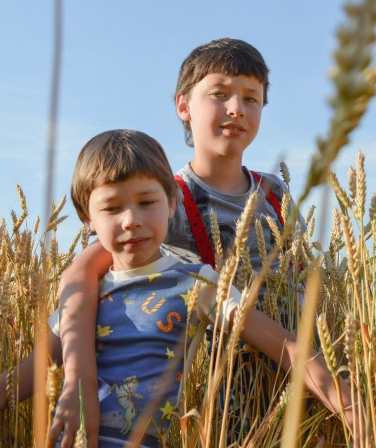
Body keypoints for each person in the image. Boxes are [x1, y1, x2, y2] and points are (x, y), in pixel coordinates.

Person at [0, 129, 364, 448]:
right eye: (111, 208)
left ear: (171, 203)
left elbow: (283, 346)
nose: (132, 220)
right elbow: (28, 371)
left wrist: (352, 410)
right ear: (88, 220)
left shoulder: (197, 281)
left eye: (147, 202)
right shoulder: (84, 298)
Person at [55, 38, 303, 447]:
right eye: (219, 94)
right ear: (183, 106)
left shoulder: (275, 191)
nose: (236, 108)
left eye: (251, 98)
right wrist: (77, 375)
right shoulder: (163, 200)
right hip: (209, 387)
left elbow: (294, 270)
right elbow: (86, 269)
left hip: (281, 370)